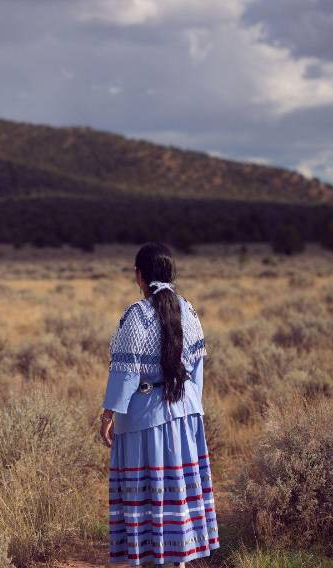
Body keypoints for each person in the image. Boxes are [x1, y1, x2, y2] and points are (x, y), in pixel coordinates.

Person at [99, 242, 219, 566]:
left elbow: (124, 375)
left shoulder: (136, 316)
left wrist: (107, 416)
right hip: (185, 417)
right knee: (176, 498)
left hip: (144, 422)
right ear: (170, 273)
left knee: (149, 500)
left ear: (139, 276)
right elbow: (197, 373)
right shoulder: (189, 311)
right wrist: (190, 409)